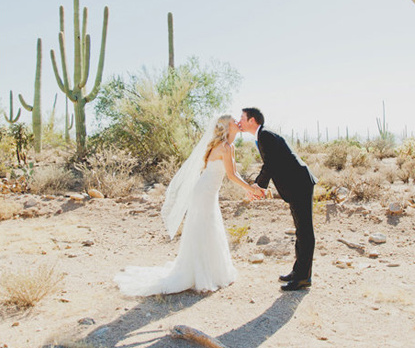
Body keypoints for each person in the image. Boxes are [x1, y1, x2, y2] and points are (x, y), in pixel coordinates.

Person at [114, 115, 261, 296]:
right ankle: (202, 275)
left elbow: (234, 172)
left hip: (208, 192)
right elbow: (231, 176)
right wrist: (250, 189)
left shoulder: (229, 147)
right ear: (226, 127)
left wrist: (248, 188)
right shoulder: (223, 147)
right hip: (204, 192)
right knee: (204, 228)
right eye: (233, 121)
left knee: (208, 228)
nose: (238, 123)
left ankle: (213, 272)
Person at [239, 108, 316, 291]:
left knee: (304, 230)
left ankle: (303, 277)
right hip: (296, 185)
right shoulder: (262, 135)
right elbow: (274, 164)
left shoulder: (265, 135)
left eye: (242, 118)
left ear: (252, 120)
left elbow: (271, 163)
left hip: (300, 184)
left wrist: (259, 186)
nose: (239, 121)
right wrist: (260, 186)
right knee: (300, 230)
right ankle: (299, 273)